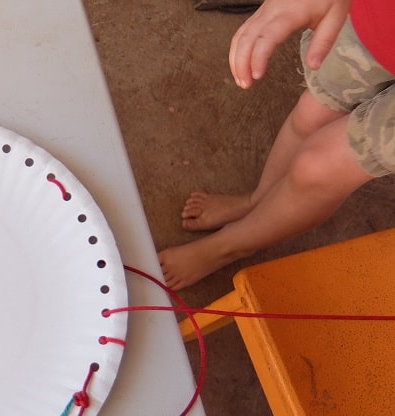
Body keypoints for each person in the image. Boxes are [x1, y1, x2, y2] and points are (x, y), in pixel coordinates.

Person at [157, 0, 395, 290]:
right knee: (311, 114)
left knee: (320, 167)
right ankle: (257, 200)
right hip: (380, 21)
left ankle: (230, 245)